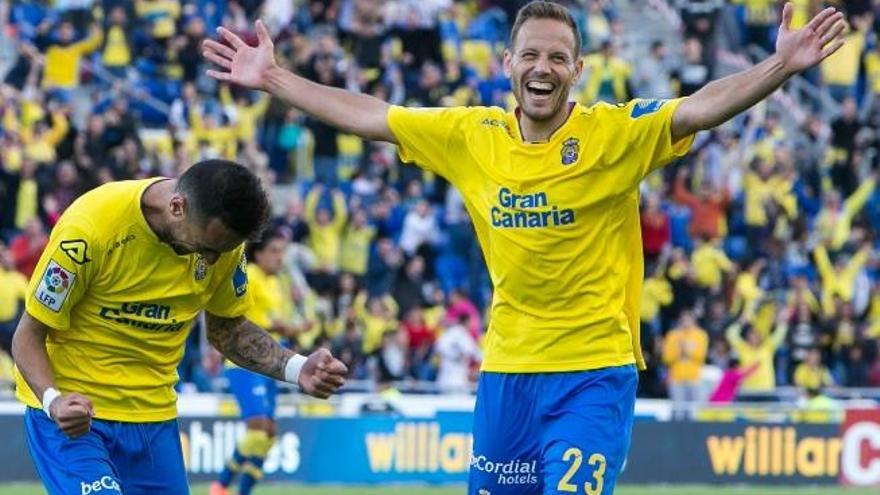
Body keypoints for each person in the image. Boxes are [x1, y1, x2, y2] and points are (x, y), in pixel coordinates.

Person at [202, 2, 846, 492]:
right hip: (507, 370)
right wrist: (275, 80)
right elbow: (370, 114)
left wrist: (781, 65)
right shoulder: (469, 135)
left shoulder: (614, 133)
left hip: (593, 370)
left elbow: (699, 108)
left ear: (578, 70)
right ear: (507, 64)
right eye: (531, 55)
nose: (543, 68)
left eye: (558, 58)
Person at [11, 160, 348, 495]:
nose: (212, 261)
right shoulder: (91, 228)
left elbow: (227, 330)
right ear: (177, 206)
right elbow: (28, 335)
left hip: (153, 419)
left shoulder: (223, 243)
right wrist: (53, 400)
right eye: (206, 248)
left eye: (221, 252)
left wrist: (298, 367)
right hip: (73, 416)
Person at [212, 229, 305, 495]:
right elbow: (238, 317)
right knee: (258, 429)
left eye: (281, 251)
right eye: (274, 251)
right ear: (260, 253)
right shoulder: (249, 274)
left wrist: (296, 328)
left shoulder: (277, 283)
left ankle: (242, 492)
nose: (279, 257)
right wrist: (283, 326)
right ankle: (220, 486)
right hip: (244, 362)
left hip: (270, 362)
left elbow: (279, 325)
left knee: (269, 433)